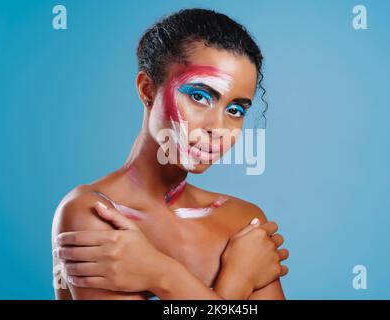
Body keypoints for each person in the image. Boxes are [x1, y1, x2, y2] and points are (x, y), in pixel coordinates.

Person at [52, 8, 289, 300]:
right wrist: (234, 279)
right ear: (147, 89)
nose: (217, 128)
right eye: (199, 96)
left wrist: (159, 273)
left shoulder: (243, 220)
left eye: (235, 110)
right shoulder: (96, 214)